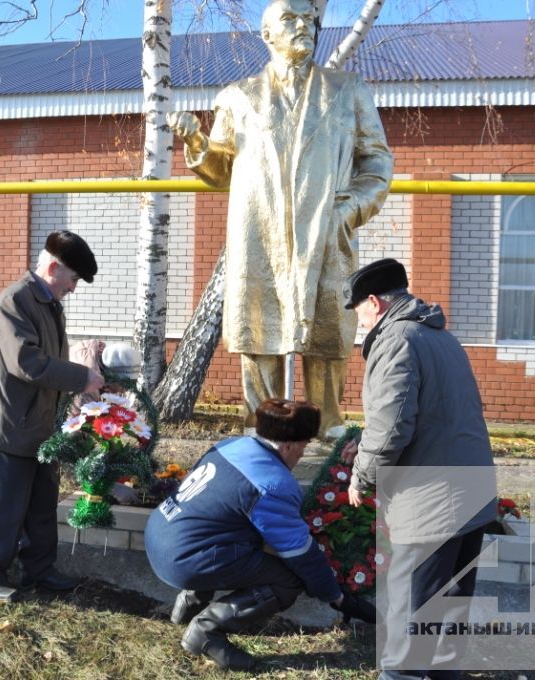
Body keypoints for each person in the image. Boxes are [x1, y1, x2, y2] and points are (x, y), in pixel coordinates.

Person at [168, 0, 393, 438]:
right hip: (259, 234)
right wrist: (196, 139)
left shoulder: (347, 90)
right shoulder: (239, 97)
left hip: (326, 231)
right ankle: (262, 420)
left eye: (309, 19)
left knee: (329, 326)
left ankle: (327, 420)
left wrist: (348, 210)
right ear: (266, 34)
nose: (303, 26)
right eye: (289, 19)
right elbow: (220, 171)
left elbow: (378, 162)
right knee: (258, 327)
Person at [343, 258, 496, 680]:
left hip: (431, 498)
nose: (360, 324)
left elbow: (391, 426)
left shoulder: (398, 338)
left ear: (373, 302)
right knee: (448, 609)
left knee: (412, 611)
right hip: (471, 491)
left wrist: (362, 475)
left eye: (358, 313)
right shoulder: (440, 335)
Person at [144, 399, 376, 671]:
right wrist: (336, 597)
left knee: (220, 532)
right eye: (303, 446)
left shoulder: (230, 445)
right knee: (288, 582)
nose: (303, 453)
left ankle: (187, 607)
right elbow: (301, 554)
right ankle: (206, 631)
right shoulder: (272, 483)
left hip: (160, 533)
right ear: (288, 446)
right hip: (184, 559)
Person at [0, 230, 106, 602]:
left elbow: (50, 362)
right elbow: (26, 363)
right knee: (5, 506)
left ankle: (40, 569)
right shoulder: (14, 301)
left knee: (41, 504)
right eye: (74, 279)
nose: (74, 288)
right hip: (13, 425)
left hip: (43, 425)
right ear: (52, 268)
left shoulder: (47, 303)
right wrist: (82, 376)